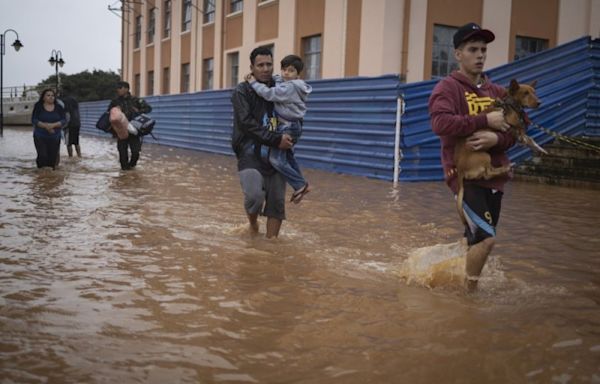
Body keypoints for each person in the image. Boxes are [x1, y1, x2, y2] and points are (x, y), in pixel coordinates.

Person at [428, 23, 514, 291]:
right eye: (472, 49)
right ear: (458, 54)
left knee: (475, 240)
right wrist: (484, 120)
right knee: (487, 241)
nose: (480, 55)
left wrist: (496, 138)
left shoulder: (498, 92)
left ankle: (444, 279)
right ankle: (468, 298)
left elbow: (517, 131)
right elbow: (441, 124)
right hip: (464, 178)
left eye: (483, 50)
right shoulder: (448, 88)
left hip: (495, 178)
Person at [231, 46, 294, 238]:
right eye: (260, 65)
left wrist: (290, 138)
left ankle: (271, 246)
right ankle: (253, 224)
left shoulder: (281, 88)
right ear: (252, 67)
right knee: (254, 196)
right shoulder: (242, 91)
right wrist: (276, 139)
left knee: (276, 203)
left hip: (278, 153)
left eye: (269, 64)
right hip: (249, 152)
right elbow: (246, 123)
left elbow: (295, 113)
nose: (265, 69)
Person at [246, 54, 312, 204]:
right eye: (284, 69)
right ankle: (302, 184)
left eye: (291, 71)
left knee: (275, 159)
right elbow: (278, 80)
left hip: (288, 127)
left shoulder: (290, 87)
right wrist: (272, 77)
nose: (286, 73)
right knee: (288, 157)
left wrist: (253, 82)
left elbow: (269, 94)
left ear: (298, 74)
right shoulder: (288, 82)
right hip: (289, 124)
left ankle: (299, 185)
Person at [107, 81, 152, 170]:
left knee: (135, 152)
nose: (118, 90)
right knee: (122, 154)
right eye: (118, 88)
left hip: (134, 129)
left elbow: (148, 108)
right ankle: (125, 175)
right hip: (121, 131)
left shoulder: (136, 100)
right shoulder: (115, 101)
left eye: (120, 88)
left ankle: (131, 168)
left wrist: (138, 111)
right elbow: (109, 113)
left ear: (126, 89)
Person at [31, 88, 67, 169]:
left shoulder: (59, 107)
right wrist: (46, 126)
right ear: (43, 97)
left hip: (54, 137)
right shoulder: (38, 106)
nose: (51, 97)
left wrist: (53, 125)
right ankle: (41, 177)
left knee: (52, 159)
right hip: (40, 136)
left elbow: (64, 120)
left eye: (52, 95)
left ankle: (50, 179)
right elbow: (34, 120)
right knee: (42, 156)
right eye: (48, 95)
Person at [60, 92, 82, 158]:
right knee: (76, 142)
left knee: (68, 143)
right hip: (77, 123)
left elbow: (67, 114)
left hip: (69, 125)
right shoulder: (74, 100)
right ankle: (79, 156)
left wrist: (64, 125)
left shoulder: (64, 101)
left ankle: (70, 158)